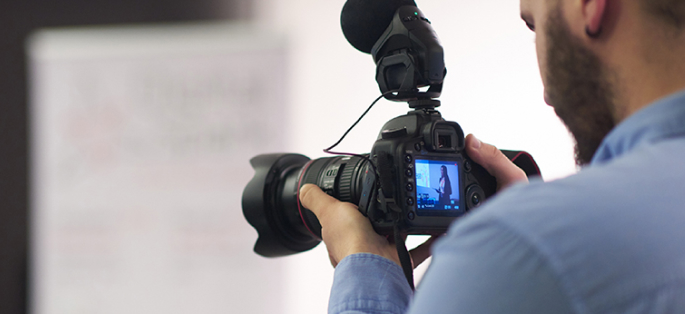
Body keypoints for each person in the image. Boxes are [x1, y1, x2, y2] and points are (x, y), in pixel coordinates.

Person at [299, 0, 685, 312]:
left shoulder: (520, 249)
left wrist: (365, 273)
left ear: (588, 6)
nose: (548, 95)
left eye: (534, 25)